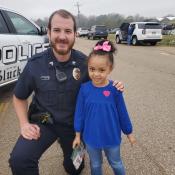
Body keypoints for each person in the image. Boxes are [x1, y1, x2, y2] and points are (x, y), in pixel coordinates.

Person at [9, 9, 124, 175]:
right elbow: (19, 97)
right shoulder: (35, 64)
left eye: (68, 31)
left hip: (74, 126)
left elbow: (101, 81)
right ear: (48, 32)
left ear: (75, 34)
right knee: (20, 160)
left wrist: (116, 85)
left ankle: (72, 155)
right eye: (56, 30)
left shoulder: (85, 63)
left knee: (74, 169)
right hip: (44, 121)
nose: (62, 36)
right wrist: (24, 124)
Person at [73, 40, 136, 175]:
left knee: (116, 162)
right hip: (91, 136)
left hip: (111, 136)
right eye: (92, 69)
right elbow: (79, 113)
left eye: (101, 70)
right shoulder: (84, 89)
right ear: (88, 67)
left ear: (110, 68)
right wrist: (77, 135)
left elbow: (122, 112)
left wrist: (129, 133)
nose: (96, 74)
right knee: (95, 164)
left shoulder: (114, 89)